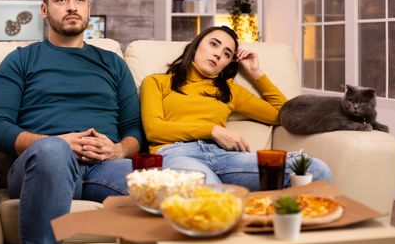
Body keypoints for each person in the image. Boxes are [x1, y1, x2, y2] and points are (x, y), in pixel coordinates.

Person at [0, 0, 144, 244]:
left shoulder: (113, 64)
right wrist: (54, 142)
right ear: (44, 10)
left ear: (88, 8)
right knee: (54, 152)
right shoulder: (20, 60)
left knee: (159, 187)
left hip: (103, 168)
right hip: (42, 166)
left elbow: (134, 128)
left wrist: (119, 150)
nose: (72, 6)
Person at [140, 26, 331, 190]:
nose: (218, 54)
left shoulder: (229, 91)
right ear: (196, 45)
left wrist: (256, 74)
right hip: (176, 153)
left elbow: (283, 114)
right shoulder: (157, 82)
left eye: (227, 54)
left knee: (315, 168)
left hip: (225, 156)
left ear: (227, 64)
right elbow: (154, 130)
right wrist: (213, 130)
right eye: (214, 44)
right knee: (211, 196)